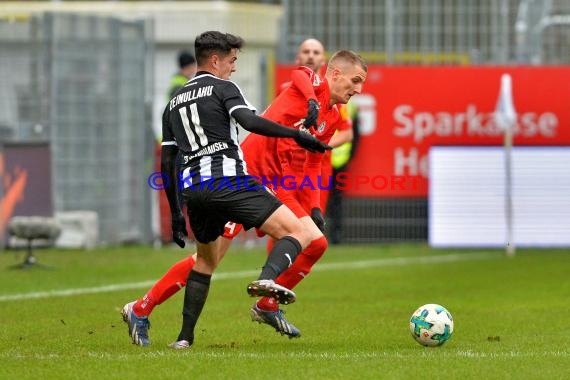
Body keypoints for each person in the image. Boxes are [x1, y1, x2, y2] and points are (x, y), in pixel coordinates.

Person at [122, 45, 366, 346]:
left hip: (274, 183)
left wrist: (314, 206)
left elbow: (314, 159)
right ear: (336, 73)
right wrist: (314, 101)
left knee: (314, 243)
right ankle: (144, 308)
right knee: (209, 259)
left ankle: (265, 303)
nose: (359, 89)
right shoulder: (312, 87)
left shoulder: (331, 114)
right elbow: (301, 73)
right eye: (355, 80)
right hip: (244, 178)